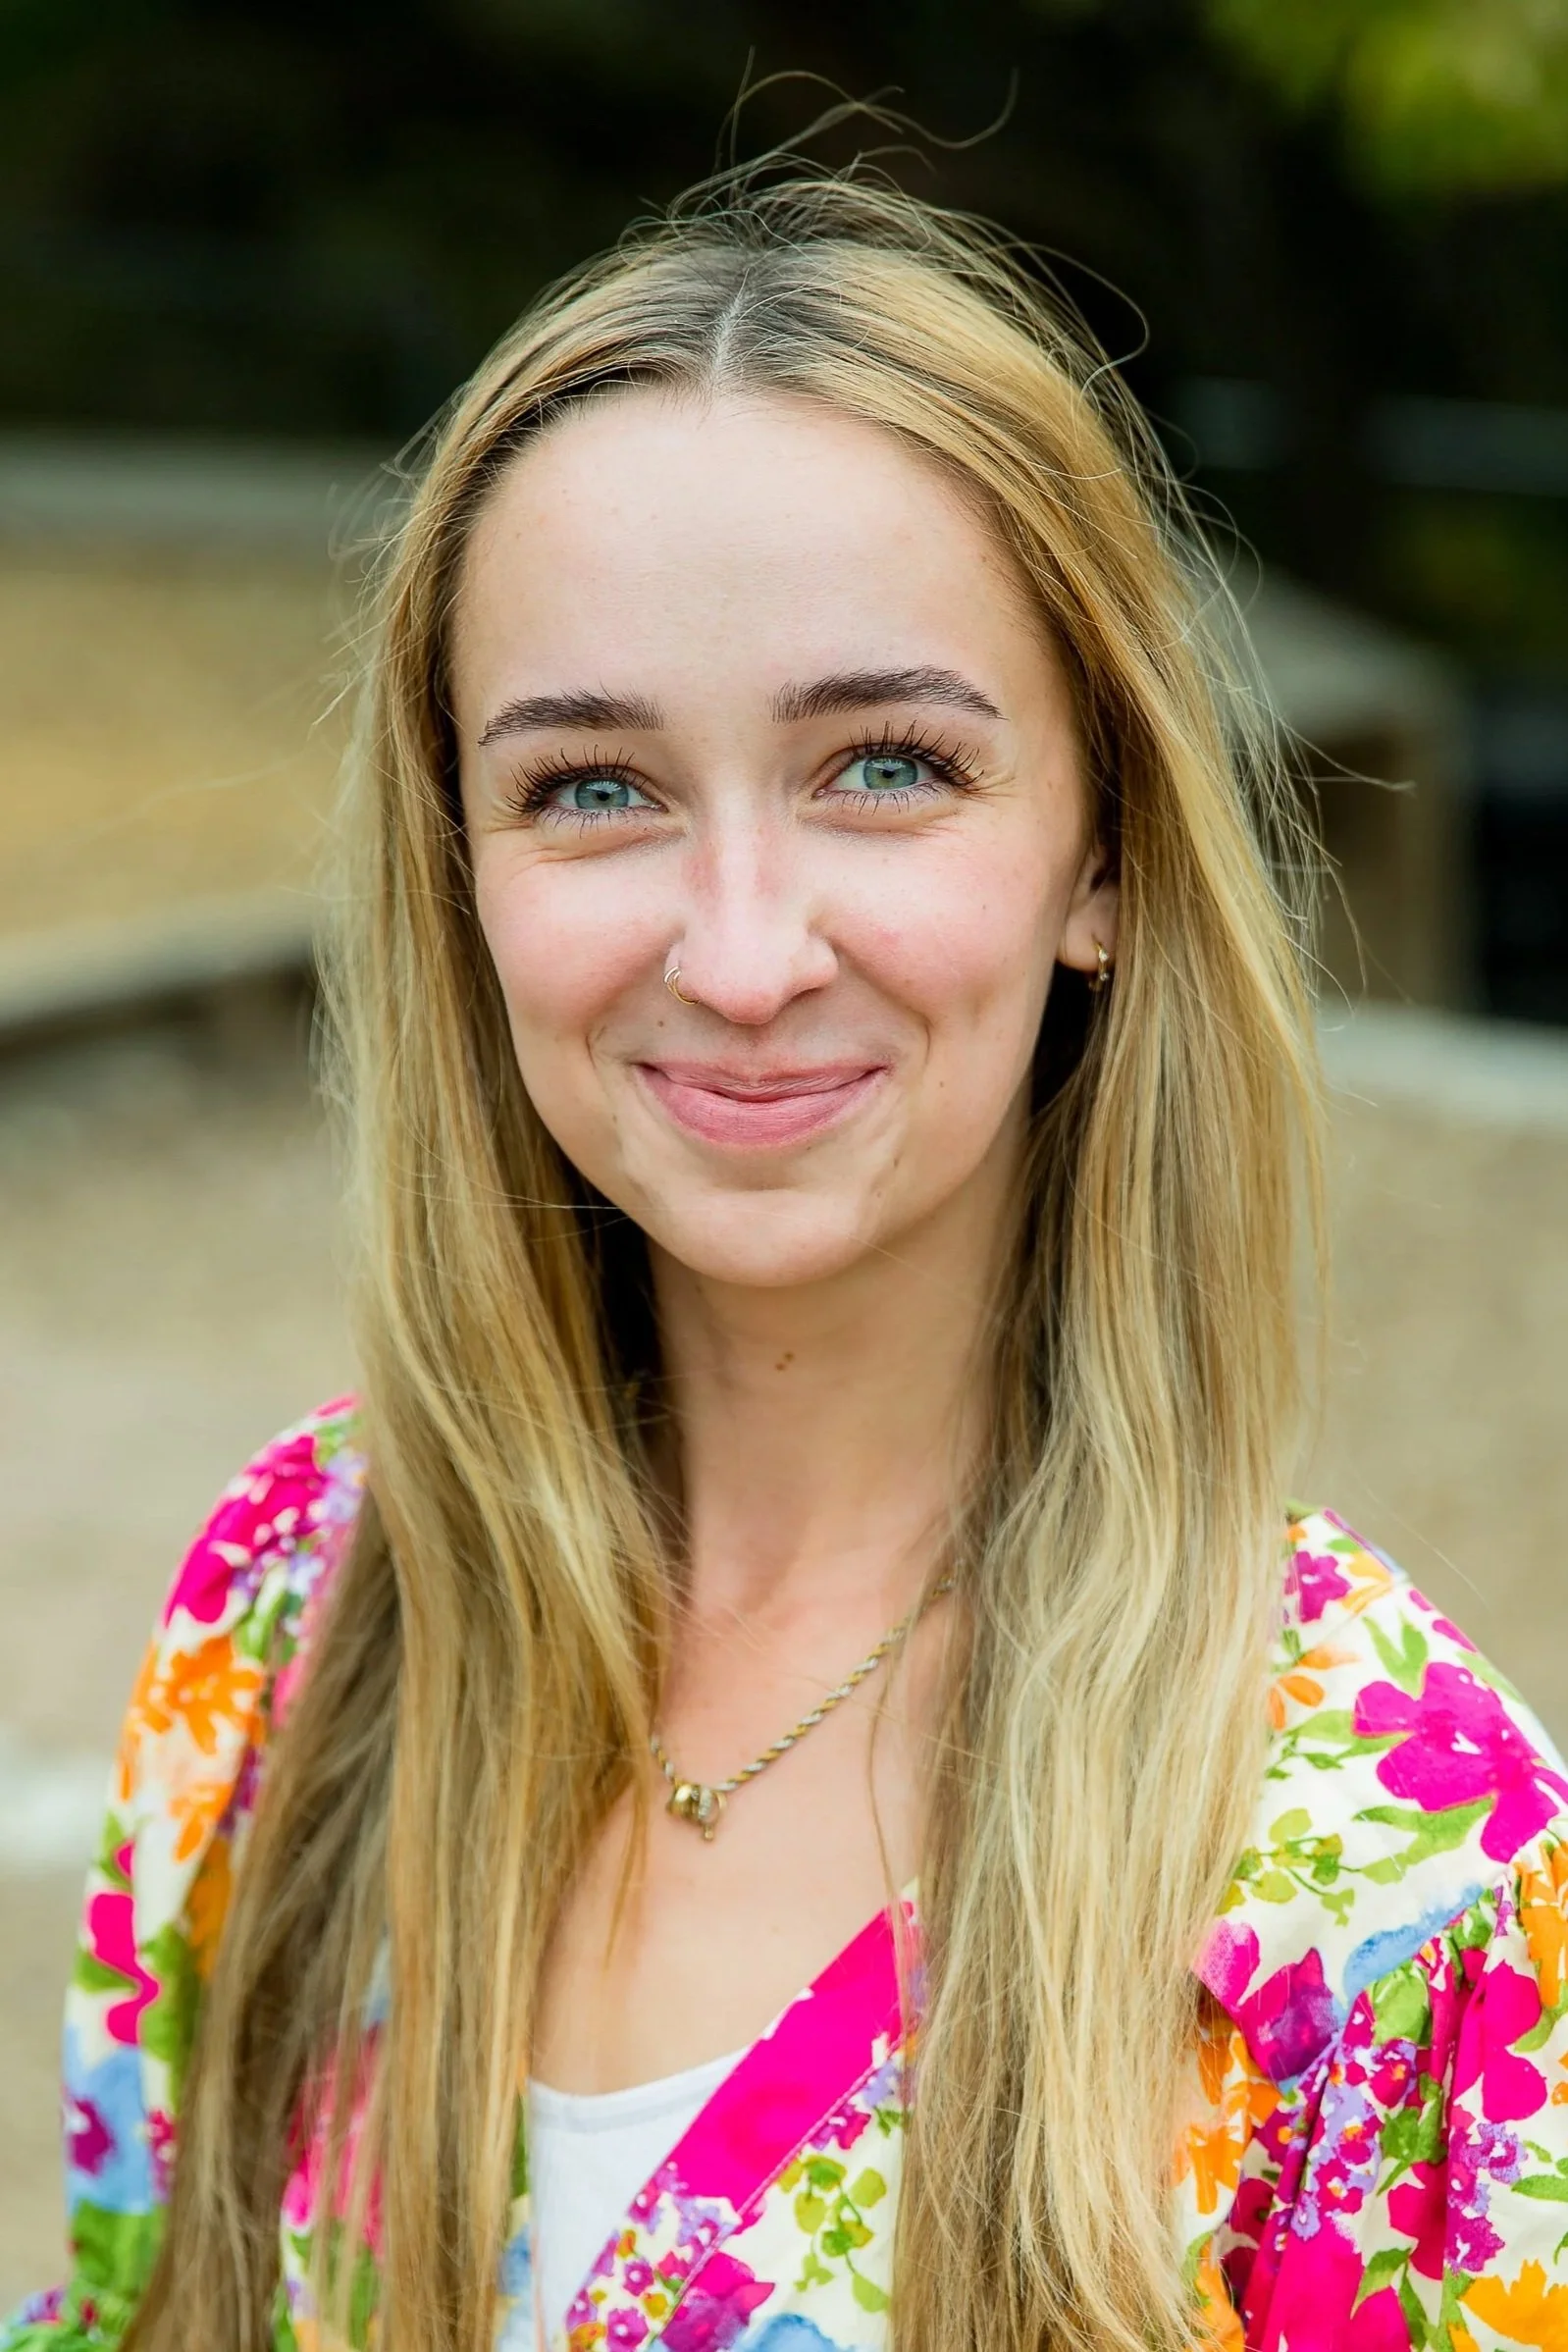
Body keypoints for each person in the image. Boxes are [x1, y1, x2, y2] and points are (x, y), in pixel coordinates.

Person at [6, 163, 1568, 2352]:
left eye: (885, 766)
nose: (741, 957)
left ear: (1102, 851)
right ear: (457, 870)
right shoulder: (290, 1610)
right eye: (591, 789)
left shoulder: (1394, 1861)